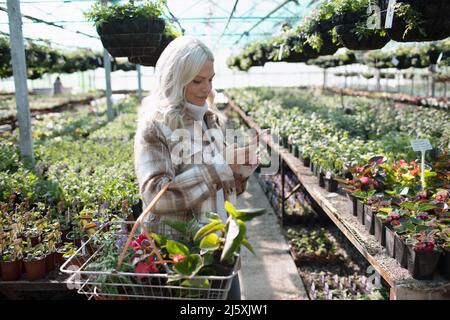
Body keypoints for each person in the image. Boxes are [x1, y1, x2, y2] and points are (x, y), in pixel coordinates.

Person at [134, 36, 265, 300]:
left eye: (210, 79)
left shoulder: (210, 118)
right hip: (186, 261)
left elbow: (223, 187)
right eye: (197, 80)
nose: (206, 88)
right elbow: (155, 196)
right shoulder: (156, 126)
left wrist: (240, 170)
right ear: (175, 78)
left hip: (221, 251)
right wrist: (220, 167)